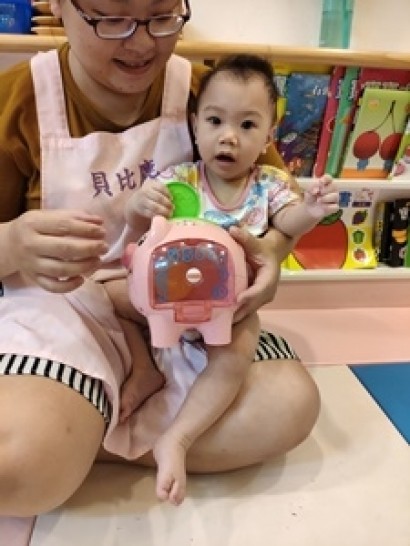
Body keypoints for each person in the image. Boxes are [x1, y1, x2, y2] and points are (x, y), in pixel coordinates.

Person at [0, 0, 321, 517]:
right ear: (58, 6)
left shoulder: (215, 95)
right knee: (16, 464)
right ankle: (82, 433)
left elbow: (274, 212)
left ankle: (87, 434)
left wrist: (270, 257)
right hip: (65, 310)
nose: (141, 42)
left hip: (190, 314)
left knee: (290, 405)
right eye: (111, 19)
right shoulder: (18, 99)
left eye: (163, 16)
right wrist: (12, 243)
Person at [107, 54, 339, 505]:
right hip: (165, 299)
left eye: (247, 125)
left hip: (228, 310)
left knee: (233, 357)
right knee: (106, 296)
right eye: (215, 121)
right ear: (195, 125)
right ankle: (143, 368)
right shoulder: (180, 180)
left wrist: (310, 210)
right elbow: (140, 230)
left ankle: (178, 438)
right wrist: (138, 206)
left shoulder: (269, 185)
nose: (229, 136)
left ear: (269, 136)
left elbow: (288, 221)